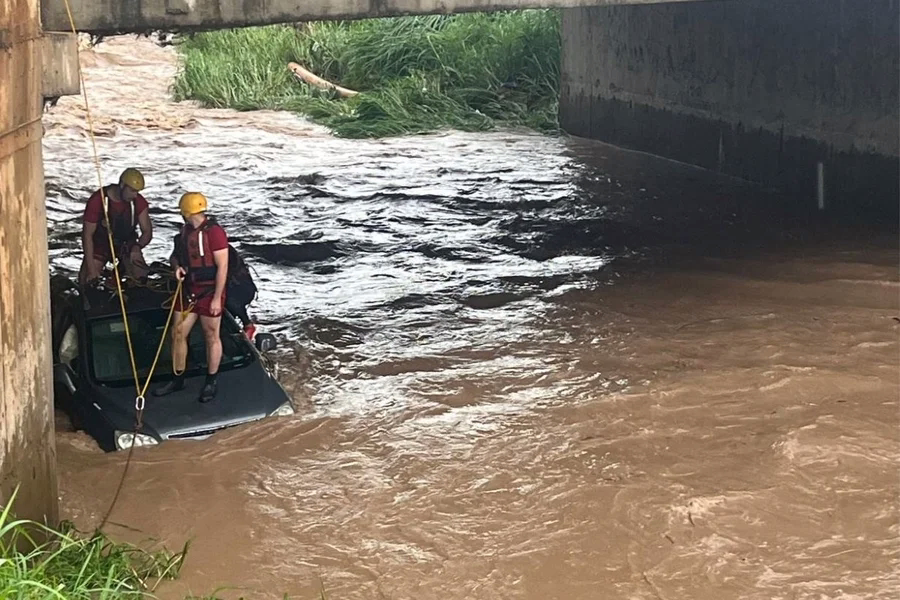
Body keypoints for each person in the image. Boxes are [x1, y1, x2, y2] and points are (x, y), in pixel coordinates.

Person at [153, 192, 228, 403]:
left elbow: (223, 267)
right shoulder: (185, 233)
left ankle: (211, 381)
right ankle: (177, 379)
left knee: (211, 334)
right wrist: (177, 267)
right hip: (188, 290)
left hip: (210, 291)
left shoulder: (215, 233)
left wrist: (216, 298)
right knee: (177, 332)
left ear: (185, 211)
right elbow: (175, 256)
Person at [80, 167, 152, 286]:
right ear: (122, 185)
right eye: (132, 191)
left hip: (126, 244)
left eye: (137, 192)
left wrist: (137, 247)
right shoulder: (98, 200)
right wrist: (92, 270)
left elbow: (147, 231)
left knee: (141, 275)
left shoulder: (138, 202)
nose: (135, 195)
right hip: (101, 244)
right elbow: (87, 235)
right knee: (88, 280)